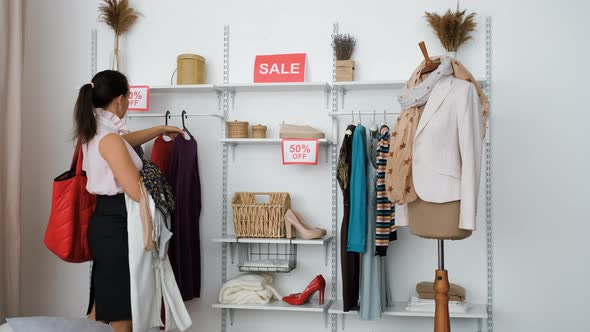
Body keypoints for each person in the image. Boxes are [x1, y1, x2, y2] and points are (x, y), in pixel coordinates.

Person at [73, 70, 183, 332]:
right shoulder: (108, 138)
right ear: (120, 99)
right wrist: (152, 178)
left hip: (107, 221)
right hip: (119, 223)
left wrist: (157, 129)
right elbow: (135, 190)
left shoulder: (97, 130)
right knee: (122, 304)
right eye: (129, 98)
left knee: (104, 301)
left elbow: (123, 143)